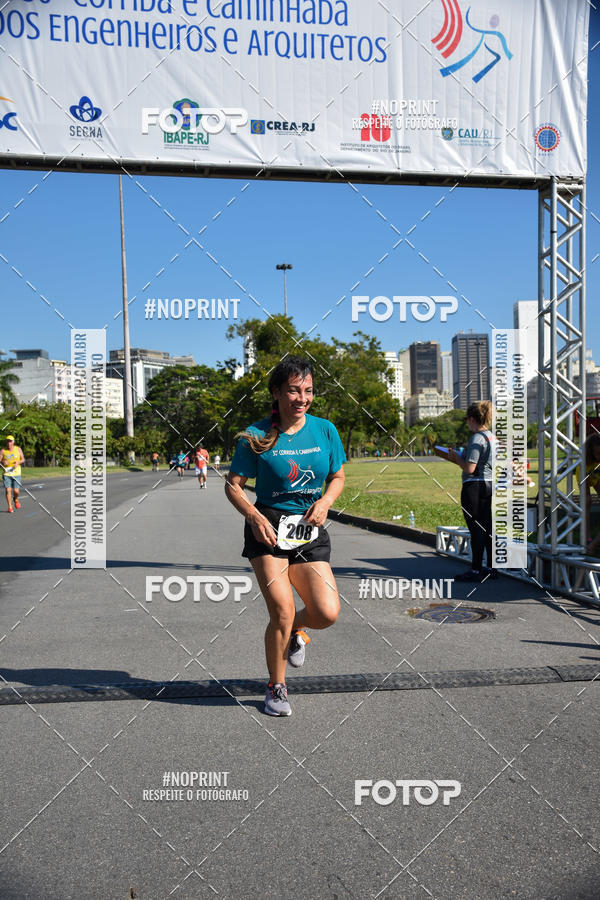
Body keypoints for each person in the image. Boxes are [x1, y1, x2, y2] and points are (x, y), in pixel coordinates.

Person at [225, 357, 346, 717]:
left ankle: (296, 632)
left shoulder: (325, 430)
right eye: (293, 390)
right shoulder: (256, 434)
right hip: (268, 526)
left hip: (309, 525)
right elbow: (233, 485)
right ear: (276, 392)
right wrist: (253, 515)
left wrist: (326, 501)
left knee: (326, 612)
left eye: (308, 390)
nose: (301, 398)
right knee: (282, 609)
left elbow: (337, 477)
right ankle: (276, 687)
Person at [435, 401, 497, 582]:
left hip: (473, 487)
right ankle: (491, 567)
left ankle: (476, 569)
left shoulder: (477, 438)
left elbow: (470, 468)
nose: (467, 424)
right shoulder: (491, 437)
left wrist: (455, 457)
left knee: (476, 528)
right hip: (488, 484)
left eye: (467, 420)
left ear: (472, 419)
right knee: (487, 527)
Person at [579, 434, 600, 553]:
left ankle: (594, 544)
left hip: (597, 474)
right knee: (587, 501)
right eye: (596, 454)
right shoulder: (584, 462)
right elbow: (586, 496)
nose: (598, 457)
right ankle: (587, 538)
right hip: (586, 472)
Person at [0, 435, 25, 513]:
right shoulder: (3, 451)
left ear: (13, 442)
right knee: (8, 490)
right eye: (7, 441)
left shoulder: (18, 449)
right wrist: (3, 462)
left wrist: (18, 462)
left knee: (16, 491)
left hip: (16, 473)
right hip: (7, 473)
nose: (9, 443)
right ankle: (10, 507)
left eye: (10, 441)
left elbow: (23, 459)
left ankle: (16, 499)